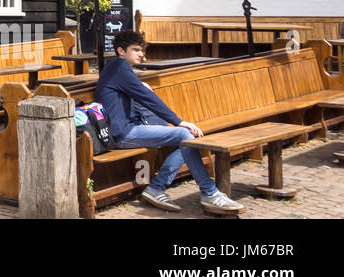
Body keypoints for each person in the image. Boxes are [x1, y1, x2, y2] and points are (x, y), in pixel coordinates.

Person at [95, 30, 242, 214]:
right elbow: (147, 98)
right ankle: (209, 193)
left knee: (187, 139)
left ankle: (157, 188)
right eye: (136, 50)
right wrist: (179, 121)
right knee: (184, 134)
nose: (141, 54)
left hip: (129, 129)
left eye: (142, 50)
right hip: (121, 133)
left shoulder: (117, 69)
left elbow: (141, 98)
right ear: (121, 51)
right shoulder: (119, 67)